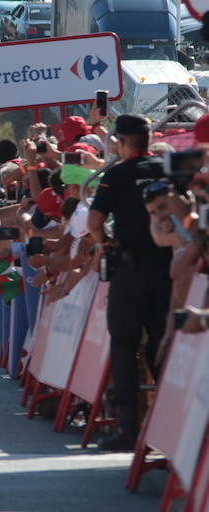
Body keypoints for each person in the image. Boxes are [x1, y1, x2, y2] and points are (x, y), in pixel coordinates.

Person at [88, 114, 171, 452]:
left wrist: (105, 241)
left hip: (130, 270)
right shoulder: (168, 169)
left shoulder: (117, 174)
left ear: (122, 142)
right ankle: (170, 422)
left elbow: (94, 221)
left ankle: (128, 428)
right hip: (167, 269)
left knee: (124, 346)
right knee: (161, 346)